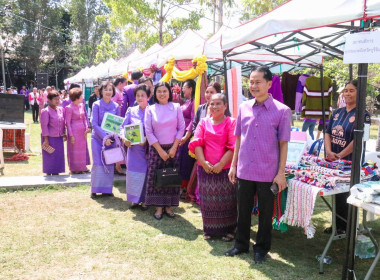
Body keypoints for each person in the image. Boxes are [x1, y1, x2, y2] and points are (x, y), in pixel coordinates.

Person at [225, 66, 291, 264]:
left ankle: (261, 249)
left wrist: (281, 173)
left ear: (269, 84)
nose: (253, 85)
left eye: (257, 82)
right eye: (251, 82)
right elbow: (238, 139)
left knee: (265, 214)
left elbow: (283, 144)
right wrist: (233, 165)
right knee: (242, 211)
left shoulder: (282, 111)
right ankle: (241, 245)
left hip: (267, 172)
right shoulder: (243, 107)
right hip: (244, 169)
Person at [324, 79, 371, 234]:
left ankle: (347, 227)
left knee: (348, 194)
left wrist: (340, 155)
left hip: (350, 162)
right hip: (334, 160)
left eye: (352, 90)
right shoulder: (337, 112)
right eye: (346, 90)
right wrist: (330, 152)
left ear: (359, 92)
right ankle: (337, 225)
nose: (348, 93)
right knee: (336, 195)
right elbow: (327, 133)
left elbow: (358, 140)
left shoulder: (363, 115)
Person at [189, 93, 237, 241]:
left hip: (226, 169)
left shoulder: (231, 123)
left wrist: (221, 164)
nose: (214, 107)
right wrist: (203, 162)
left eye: (218, 104)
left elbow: (233, 146)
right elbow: (197, 142)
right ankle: (209, 230)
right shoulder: (203, 122)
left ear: (225, 106)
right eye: (211, 104)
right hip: (205, 169)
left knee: (227, 201)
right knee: (207, 201)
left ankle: (229, 231)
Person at [144, 81, 185, 220]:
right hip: (156, 149)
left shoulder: (176, 107)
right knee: (157, 177)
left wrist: (174, 147)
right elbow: (148, 131)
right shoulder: (150, 109)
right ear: (155, 93)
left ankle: (169, 206)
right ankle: (158, 207)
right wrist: (160, 150)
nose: (162, 94)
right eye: (159, 91)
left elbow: (181, 128)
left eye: (165, 91)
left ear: (169, 93)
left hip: (173, 148)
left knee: (171, 177)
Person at [186, 82, 222, 203]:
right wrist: (198, 135)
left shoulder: (220, 108)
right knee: (200, 169)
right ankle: (197, 195)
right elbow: (195, 123)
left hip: (215, 146)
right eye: (207, 92)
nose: (208, 94)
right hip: (201, 145)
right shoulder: (201, 107)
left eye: (212, 92)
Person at [120, 84, 150, 210]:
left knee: (145, 173)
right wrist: (124, 139)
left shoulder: (152, 111)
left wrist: (147, 140)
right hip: (133, 149)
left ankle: (144, 200)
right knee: (132, 173)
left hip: (146, 149)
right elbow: (122, 127)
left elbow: (155, 130)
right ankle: (134, 199)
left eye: (143, 95)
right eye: (138, 95)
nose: (140, 97)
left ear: (148, 96)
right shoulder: (131, 111)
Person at [90, 81, 120, 198]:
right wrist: (104, 137)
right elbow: (94, 123)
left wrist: (112, 137)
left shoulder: (116, 106)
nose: (108, 92)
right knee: (98, 163)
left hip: (111, 140)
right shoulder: (96, 105)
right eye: (106, 89)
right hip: (98, 139)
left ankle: (107, 190)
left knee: (109, 163)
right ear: (101, 91)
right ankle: (94, 189)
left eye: (110, 89)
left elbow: (117, 124)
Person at [65, 87, 91, 174]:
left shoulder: (82, 105)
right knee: (74, 150)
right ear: (76, 97)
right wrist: (71, 135)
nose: (83, 97)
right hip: (74, 131)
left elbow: (85, 118)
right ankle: (74, 168)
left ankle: (82, 166)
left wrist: (87, 127)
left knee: (82, 150)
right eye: (81, 95)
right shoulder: (69, 108)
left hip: (82, 132)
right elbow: (68, 123)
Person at [40, 90, 66, 175]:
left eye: (58, 99)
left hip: (59, 137)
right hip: (49, 138)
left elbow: (63, 122)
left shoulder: (61, 110)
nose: (57, 101)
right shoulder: (45, 111)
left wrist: (64, 133)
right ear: (49, 100)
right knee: (50, 156)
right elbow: (44, 126)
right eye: (55, 99)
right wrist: (46, 140)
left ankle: (56, 173)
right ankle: (49, 173)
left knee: (58, 157)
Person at [178, 79, 196, 195]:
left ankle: (186, 187)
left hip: (187, 135)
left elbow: (193, 119)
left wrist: (186, 135)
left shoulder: (194, 102)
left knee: (186, 161)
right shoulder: (188, 101)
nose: (182, 89)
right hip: (181, 133)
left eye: (184, 87)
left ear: (191, 89)